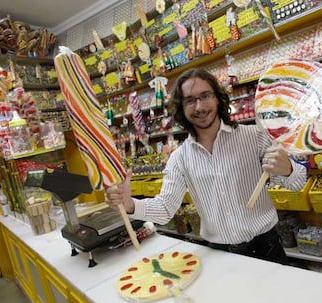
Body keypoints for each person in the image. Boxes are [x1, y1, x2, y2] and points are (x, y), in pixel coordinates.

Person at [106, 68, 307, 265]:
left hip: (267, 247)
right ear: (182, 108)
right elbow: (166, 208)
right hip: (219, 255)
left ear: (218, 98)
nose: (199, 107)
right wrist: (130, 204)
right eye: (190, 100)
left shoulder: (254, 137)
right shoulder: (180, 158)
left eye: (205, 96)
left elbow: (297, 184)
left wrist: (288, 168)